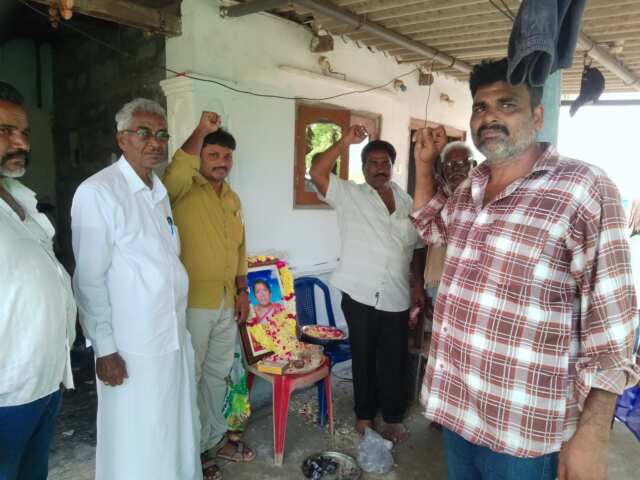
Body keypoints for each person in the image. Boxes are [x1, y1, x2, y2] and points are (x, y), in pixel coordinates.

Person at [411, 58, 640, 480]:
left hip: (525, 431)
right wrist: (425, 165)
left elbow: (613, 328)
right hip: (459, 412)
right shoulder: (469, 189)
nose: (489, 116)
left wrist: (593, 436)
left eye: (507, 104)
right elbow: (430, 226)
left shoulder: (582, 188)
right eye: (480, 107)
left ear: (537, 117)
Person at [71, 98, 201, 480]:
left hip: (171, 338)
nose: (155, 142)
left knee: (172, 431)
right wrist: (105, 348)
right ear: (122, 139)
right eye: (143, 133)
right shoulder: (99, 192)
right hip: (131, 347)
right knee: (136, 438)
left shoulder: (158, 192)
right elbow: (89, 278)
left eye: (161, 134)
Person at [310, 125, 427, 443]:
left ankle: (392, 416)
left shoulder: (406, 201)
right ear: (363, 168)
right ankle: (364, 415)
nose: (379, 168)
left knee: (394, 358)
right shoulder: (349, 194)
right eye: (372, 163)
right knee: (363, 356)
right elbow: (317, 171)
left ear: (392, 166)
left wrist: (418, 284)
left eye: (385, 162)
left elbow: (417, 247)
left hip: (396, 293)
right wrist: (345, 141)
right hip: (359, 290)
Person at [162, 111, 254, 480]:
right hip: (193, 304)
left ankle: (212, 443)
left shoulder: (233, 198)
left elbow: (241, 248)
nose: (221, 162)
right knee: (192, 376)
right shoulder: (180, 190)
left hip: (226, 301)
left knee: (218, 375)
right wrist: (202, 130)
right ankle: (191, 453)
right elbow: (178, 167)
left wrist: (243, 291)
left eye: (227, 156)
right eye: (213, 155)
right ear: (200, 157)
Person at [0, 81, 76, 480]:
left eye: (24, 132)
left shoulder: (21, 198)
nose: (21, 143)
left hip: (44, 383)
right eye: (5, 131)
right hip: (7, 394)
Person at [423, 141, 476, 309]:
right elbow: (425, 231)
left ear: (474, 165)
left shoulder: (480, 195)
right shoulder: (441, 194)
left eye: (461, 163)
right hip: (438, 279)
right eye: (448, 165)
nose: (455, 169)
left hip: (467, 284)